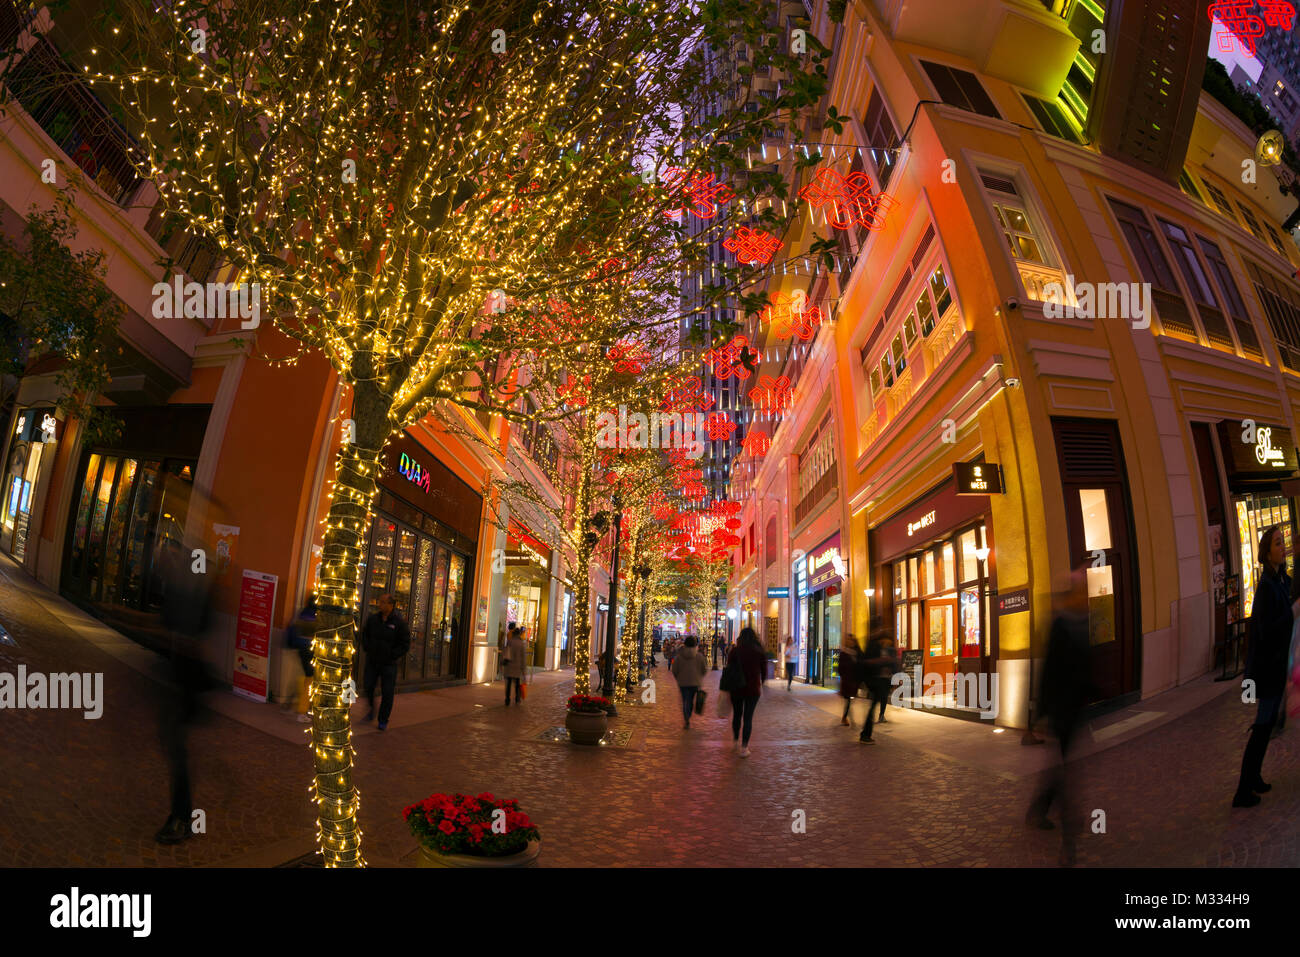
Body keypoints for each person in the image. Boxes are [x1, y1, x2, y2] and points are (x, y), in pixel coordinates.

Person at [1025, 566, 1094, 865]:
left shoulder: (1083, 621)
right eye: (1081, 590)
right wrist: (1041, 714)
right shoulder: (1061, 624)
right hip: (1061, 710)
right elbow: (1049, 671)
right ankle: (1068, 844)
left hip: (1076, 709)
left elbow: (1085, 665)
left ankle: (1039, 809)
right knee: (1069, 772)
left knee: (1063, 768)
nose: (1085, 595)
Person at [155, 536, 216, 844]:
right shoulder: (180, 591)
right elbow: (167, 626)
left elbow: (192, 631)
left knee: (178, 752)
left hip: (185, 683)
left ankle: (182, 817)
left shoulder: (196, 594)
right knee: (174, 748)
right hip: (175, 680)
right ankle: (183, 816)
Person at [1234, 525, 1297, 807]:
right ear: (1266, 552)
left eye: (1282, 542)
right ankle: (1243, 790)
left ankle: (1254, 778)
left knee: (1267, 722)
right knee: (1262, 726)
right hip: (1268, 668)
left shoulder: (1282, 580)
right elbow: (1266, 631)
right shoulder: (1266, 588)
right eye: (1276, 543)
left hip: (1276, 666)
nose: (1282, 547)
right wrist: (1293, 612)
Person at [361, 593, 411, 730]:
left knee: (387, 692)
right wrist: (368, 647)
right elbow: (365, 634)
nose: (380, 604)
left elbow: (405, 643)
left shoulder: (399, 623)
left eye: (383, 602)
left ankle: (383, 719)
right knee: (368, 686)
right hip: (373, 660)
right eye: (380, 602)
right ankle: (371, 709)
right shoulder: (373, 619)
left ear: (391, 605)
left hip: (389, 664)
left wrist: (392, 655)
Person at [723, 627, 766, 757]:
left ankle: (735, 741)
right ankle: (744, 747)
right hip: (753, 689)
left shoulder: (735, 651)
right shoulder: (759, 651)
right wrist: (761, 683)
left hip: (736, 687)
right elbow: (764, 671)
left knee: (737, 715)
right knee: (748, 718)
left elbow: (729, 667)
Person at [285, 596, 318, 723]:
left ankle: (291, 704)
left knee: (303, 678)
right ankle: (302, 711)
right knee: (308, 680)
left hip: (300, 650)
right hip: (310, 651)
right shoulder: (317, 618)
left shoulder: (303, 613)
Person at [670, 635, 708, 729]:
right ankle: (688, 714)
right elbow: (704, 669)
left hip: (682, 683)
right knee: (690, 700)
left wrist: (678, 677)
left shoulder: (679, 656)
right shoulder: (699, 656)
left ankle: (686, 718)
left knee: (684, 700)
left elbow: (674, 669)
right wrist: (699, 676)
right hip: (695, 682)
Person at [838, 635, 861, 726]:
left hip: (854, 680)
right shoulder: (843, 653)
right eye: (847, 640)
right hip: (847, 680)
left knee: (850, 700)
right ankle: (845, 718)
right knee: (848, 699)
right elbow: (840, 668)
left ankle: (847, 717)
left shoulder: (857, 652)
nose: (849, 642)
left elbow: (860, 664)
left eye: (851, 640)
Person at [504, 625, 527, 705]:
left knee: (509, 684)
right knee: (517, 684)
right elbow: (523, 657)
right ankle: (517, 698)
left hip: (510, 666)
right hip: (517, 667)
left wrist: (502, 663)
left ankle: (507, 699)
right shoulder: (521, 643)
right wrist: (524, 670)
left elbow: (505, 653)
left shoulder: (510, 641)